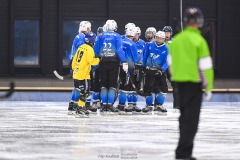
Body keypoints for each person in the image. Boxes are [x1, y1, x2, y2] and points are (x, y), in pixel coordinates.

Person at [168, 7, 214, 160]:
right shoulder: (199, 41)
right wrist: (209, 87)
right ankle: (183, 153)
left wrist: (176, 78)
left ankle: (183, 151)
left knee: (183, 118)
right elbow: (206, 66)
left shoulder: (176, 40)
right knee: (191, 120)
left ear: (186, 22)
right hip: (194, 85)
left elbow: (170, 63)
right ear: (199, 22)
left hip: (179, 84)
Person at [94, 19, 127, 114]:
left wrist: (94, 59)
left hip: (103, 62)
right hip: (114, 63)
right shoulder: (117, 36)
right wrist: (124, 61)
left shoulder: (100, 35)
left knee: (104, 84)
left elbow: (96, 50)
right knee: (112, 85)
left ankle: (104, 105)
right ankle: (110, 105)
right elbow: (120, 50)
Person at [71, 32, 100, 118]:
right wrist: (99, 59)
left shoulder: (80, 47)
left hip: (76, 74)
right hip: (84, 75)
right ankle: (80, 109)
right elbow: (91, 61)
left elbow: (74, 61)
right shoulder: (90, 49)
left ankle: (79, 108)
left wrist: (74, 69)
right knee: (85, 92)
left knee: (81, 91)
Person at [142, 31, 168, 115]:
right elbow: (145, 56)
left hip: (159, 72)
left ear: (163, 39)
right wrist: (143, 67)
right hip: (149, 71)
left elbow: (167, 61)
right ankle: (149, 105)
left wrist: (162, 70)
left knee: (163, 88)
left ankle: (159, 105)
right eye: (157, 38)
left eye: (161, 38)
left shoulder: (166, 48)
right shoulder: (149, 45)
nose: (159, 40)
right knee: (148, 88)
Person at [68, 21, 91, 115]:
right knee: (81, 88)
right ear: (88, 29)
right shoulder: (83, 38)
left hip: (75, 64)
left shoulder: (77, 36)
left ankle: (72, 105)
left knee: (77, 87)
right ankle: (77, 106)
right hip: (80, 67)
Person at [117, 27, 141, 114]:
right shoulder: (132, 44)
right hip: (128, 68)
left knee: (117, 86)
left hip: (118, 66)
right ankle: (121, 107)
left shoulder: (120, 40)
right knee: (125, 87)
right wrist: (139, 54)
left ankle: (112, 105)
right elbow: (136, 59)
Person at [162, 26, 180, 111]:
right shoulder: (160, 41)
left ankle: (177, 105)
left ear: (171, 33)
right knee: (159, 85)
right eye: (165, 33)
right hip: (161, 66)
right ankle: (156, 105)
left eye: (168, 33)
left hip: (172, 67)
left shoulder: (175, 42)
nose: (166, 34)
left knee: (176, 86)